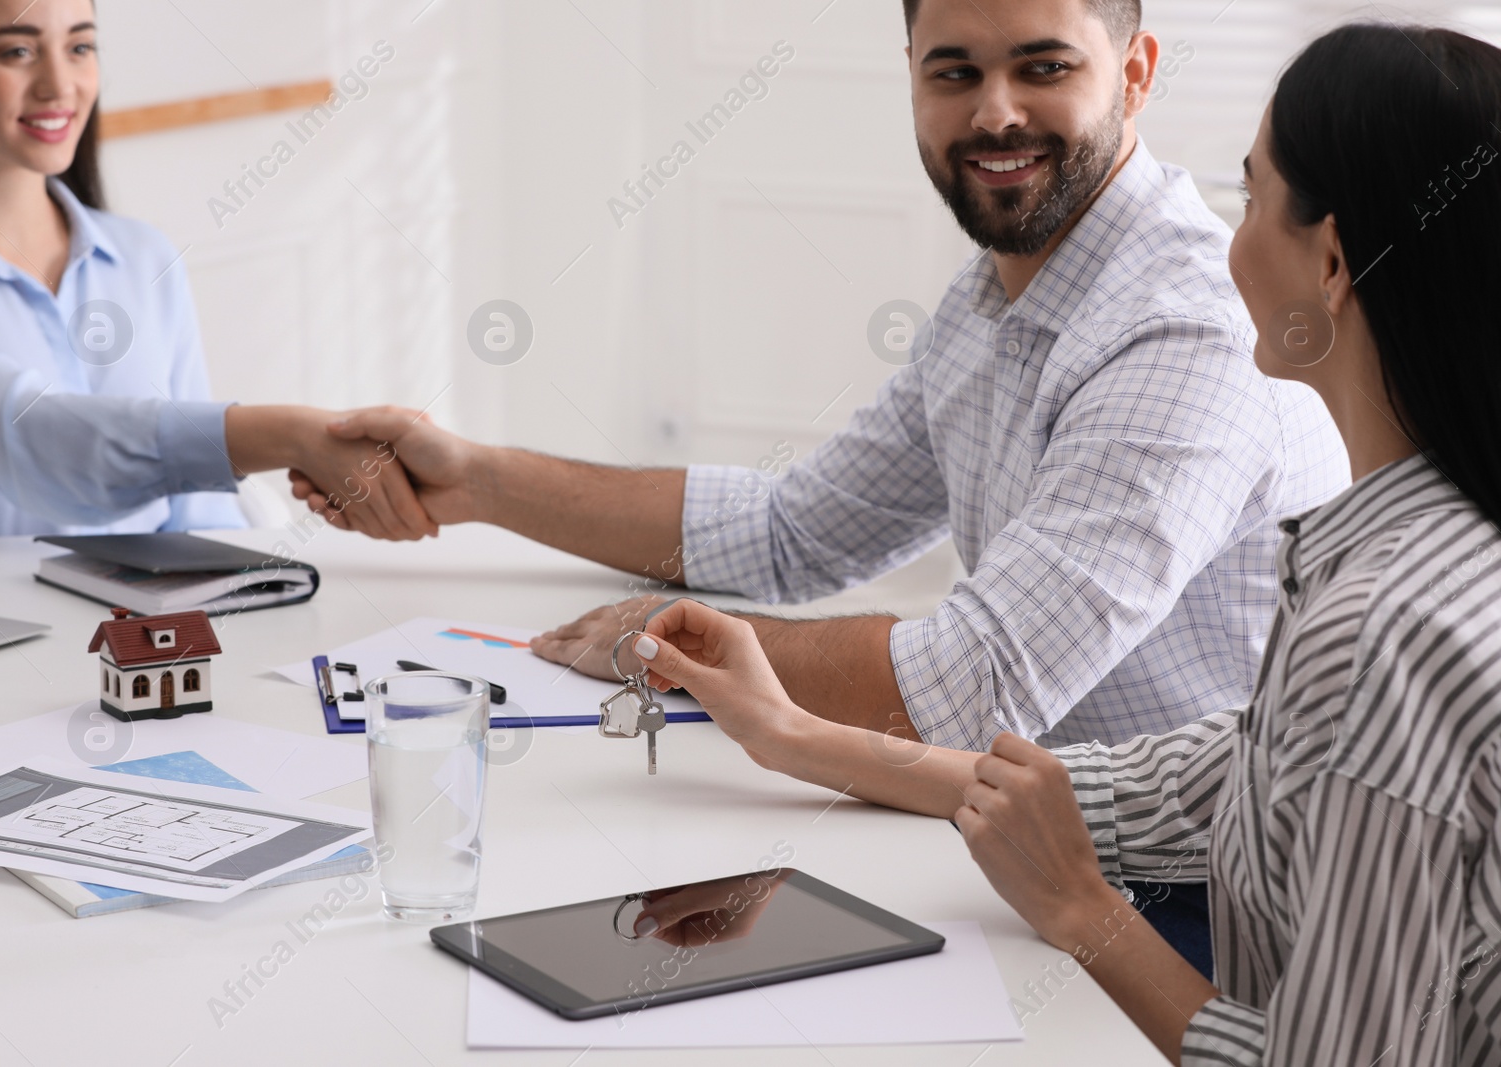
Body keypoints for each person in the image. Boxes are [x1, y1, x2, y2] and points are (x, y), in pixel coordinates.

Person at [294, 0, 1350, 974]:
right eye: (953, 72)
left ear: (1137, 69)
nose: (993, 112)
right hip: (1029, 840)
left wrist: (669, 638)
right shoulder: (1005, 288)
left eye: (1041, 68)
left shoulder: (1179, 325)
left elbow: (964, 687)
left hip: (1202, 908)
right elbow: (793, 528)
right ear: (908, 78)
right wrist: (475, 480)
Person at [624, 21, 1501, 1065]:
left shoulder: (1380, 629)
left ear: (1328, 257)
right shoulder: (1415, 546)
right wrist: (796, 736)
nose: (1229, 233)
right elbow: (1208, 776)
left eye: (1252, 195)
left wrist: (1084, 911)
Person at [0, 0, 434, 539]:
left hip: (156, 621)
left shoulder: (143, 258)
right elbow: (35, 440)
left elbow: (198, 513)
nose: (59, 85)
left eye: (80, 47)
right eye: (17, 51)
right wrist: (291, 435)